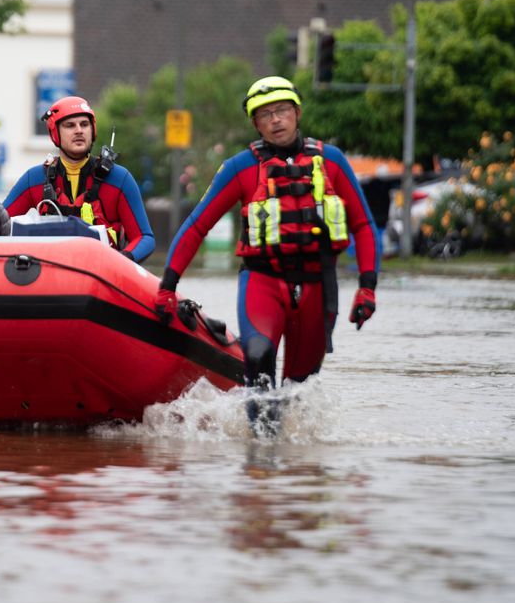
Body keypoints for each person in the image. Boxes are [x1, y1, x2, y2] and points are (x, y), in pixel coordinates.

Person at [154, 76, 379, 406]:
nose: (275, 119)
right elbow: (195, 227)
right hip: (263, 282)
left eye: (282, 110)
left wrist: (367, 286)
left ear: (297, 113)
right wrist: (167, 287)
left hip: (318, 287)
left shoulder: (331, 161)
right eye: (265, 114)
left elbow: (363, 224)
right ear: (256, 124)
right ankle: (259, 456)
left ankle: (291, 456)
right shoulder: (239, 168)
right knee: (258, 362)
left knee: (298, 388)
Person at [3, 95, 155, 263]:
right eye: (70, 125)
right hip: (51, 275)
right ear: (55, 133)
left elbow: (145, 238)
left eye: (84, 124)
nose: (79, 130)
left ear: (92, 130)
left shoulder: (119, 179)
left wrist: (122, 261)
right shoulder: (35, 179)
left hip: (103, 276)